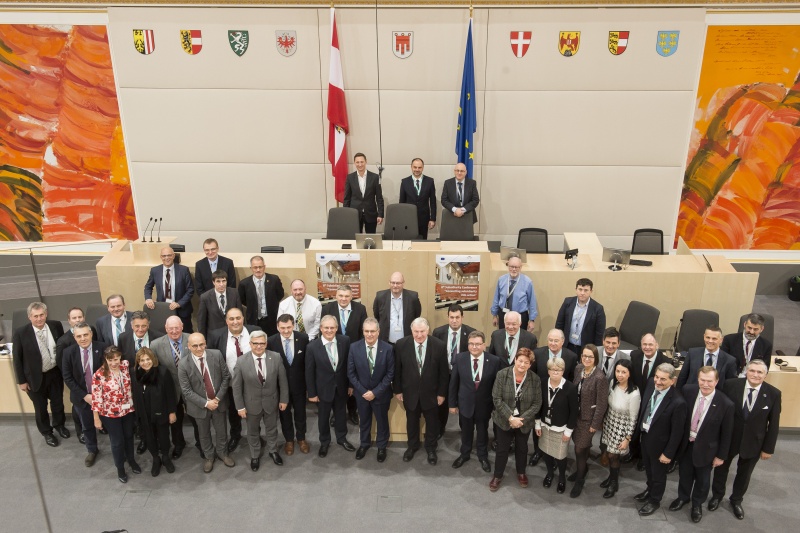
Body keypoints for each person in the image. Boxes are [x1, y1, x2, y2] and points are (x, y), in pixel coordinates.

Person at [710, 359, 781, 520]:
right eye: (752, 371)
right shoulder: (730, 385)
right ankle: (717, 496)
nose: (755, 374)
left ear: (765, 375)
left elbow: (774, 424)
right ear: (746, 371)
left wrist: (768, 448)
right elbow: (720, 411)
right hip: (729, 439)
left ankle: (736, 500)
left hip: (753, 442)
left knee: (744, 473)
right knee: (721, 469)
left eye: (759, 372)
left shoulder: (774, 394)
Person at [670, 366, 734, 523]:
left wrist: (721, 456)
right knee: (684, 474)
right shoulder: (688, 391)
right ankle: (683, 497)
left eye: (709, 381)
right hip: (686, 445)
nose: (705, 384)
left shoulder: (726, 404)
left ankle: (697, 505)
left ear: (716, 381)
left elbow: (727, 434)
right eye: (702, 380)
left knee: (702, 480)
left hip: (707, 450)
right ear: (698, 379)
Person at [632, 363, 688, 516]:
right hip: (646, 438)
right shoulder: (651, 384)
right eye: (656, 377)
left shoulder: (678, 402)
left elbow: (677, 433)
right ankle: (649, 490)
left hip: (661, 446)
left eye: (663, 379)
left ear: (672, 380)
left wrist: (668, 453)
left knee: (658, 475)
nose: (658, 381)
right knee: (649, 471)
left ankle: (654, 500)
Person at [393, 318, 448, 465]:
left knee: (432, 423)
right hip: (409, 393)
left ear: (428, 330)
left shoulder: (439, 345)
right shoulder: (401, 344)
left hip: (432, 394)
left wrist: (442, 393)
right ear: (411, 331)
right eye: (416, 331)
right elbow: (397, 369)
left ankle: (431, 448)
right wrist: (397, 390)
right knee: (411, 422)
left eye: (422, 331)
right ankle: (412, 446)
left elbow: (443, 373)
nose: (419, 335)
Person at [12, 302, 68, 447]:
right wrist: (21, 381)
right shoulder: (21, 333)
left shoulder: (56, 325)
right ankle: (47, 432)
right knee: (40, 407)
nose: (39, 319)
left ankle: (59, 425)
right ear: (29, 317)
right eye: (35, 316)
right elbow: (17, 359)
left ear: (46, 314)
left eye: (41, 315)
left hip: (55, 373)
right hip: (34, 378)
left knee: (57, 402)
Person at [207, 307, 262, 454]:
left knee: (255, 412)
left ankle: (256, 435)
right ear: (226, 321)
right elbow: (212, 360)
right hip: (230, 384)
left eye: (238, 318)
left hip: (253, 383)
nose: (235, 321)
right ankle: (235, 435)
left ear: (243, 318)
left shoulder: (255, 331)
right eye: (231, 319)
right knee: (233, 412)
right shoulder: (216, 335)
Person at [232, 330, 289, 472]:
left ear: (266, 344)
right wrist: (240, 407)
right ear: (250, 344)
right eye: (255, 343)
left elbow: (283, 381)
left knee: (272, 429)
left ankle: (273, 451)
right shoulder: (241, 361)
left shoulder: (275, 357)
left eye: (262, 343)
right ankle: (255, 455)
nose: (258, 346)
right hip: (251, 404)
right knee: (252, 431)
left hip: (271, 402)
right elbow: (237, 386)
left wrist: (284, 399)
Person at [178, 333, 234, 473]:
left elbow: (226, 377)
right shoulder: (183, 364)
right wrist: (206, 403)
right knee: (203, 434)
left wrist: (217, 399)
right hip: (199, 406)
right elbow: (186, 390)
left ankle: (222, 453)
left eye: (201, 344)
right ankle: (209, 457)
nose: (199, 348)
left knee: (222, 431)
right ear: (188, 346)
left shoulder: (216, 355)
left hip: (218, 403)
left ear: (205, 343)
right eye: (195, 346)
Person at [489, 348, 542, 492]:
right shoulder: (502, 374)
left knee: (522, 448)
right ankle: (497, 475)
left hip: (524, 421)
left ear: (530, 364)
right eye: (520, 361)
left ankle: (521, 472)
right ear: (515, 360)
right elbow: (497, 398)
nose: (522, 365)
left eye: (526, 362)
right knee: (502, 449)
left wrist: (521, 420)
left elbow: (537, 403)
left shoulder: (535, 379)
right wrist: (510, 417)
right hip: (504, 419)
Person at [449, 331, 500, 473]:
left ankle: (482, 456)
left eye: (477, 344)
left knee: (482, 431)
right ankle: (464, 454)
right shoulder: (460, 358)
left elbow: (497, 385)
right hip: (465, 403)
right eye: (471, 344)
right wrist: (452, 404)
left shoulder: (494, 361)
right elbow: (454, 383)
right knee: (466, 431)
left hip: (484, 404)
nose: (474, 347)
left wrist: (496, 405)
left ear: (484, 345)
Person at [306, 315, 354, 457]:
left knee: (341, 415)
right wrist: (312, 393)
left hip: (341, 387)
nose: (329, 330)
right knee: (323, 417)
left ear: (337, 328)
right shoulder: (312, 347)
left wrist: (350, 385)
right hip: (322, 390)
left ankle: (342, 438)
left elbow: (349, 365)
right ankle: (324, 442)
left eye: (332, 327)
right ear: (321, 328)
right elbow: (309, 372)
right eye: (326, 327)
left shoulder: (345, 341)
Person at [346, 318, 395, 462]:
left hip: (381, 394)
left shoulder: (388, 349)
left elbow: (390, 374)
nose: (369, 334)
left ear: (378, 332)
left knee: (382, 421)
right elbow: (351, 373)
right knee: (364, 420)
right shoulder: (354, 347)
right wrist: (363, 391)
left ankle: (381, 447)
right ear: (363, 332)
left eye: (372, 331)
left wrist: (375, 392)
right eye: (366, 331)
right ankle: (364, 444)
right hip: (361, 394)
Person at [529, 329, 578, 466]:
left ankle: (555, 455)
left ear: (563, 341)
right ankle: (538, 452)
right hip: (542, 397)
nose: (553, 343)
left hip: (560, 399)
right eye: (550, 340)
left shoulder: (571, 356)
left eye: (556, 340)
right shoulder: (537, 353)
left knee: (556, 429)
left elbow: (571, 378)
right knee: (538, 428)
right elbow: (533, 375)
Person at [150, 316, 197, 459]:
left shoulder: (192, 339)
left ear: (182, 326)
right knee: (175, 421)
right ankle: (178, 445)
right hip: (171, 390)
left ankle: (202, 443)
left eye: (177, 327)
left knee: (196, 418)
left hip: (192, 388)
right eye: (171, 328)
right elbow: (155, 369)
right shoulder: (155, 345)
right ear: (166, 328)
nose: (174, 331)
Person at [61, 322, 108, 466]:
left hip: (104, 397)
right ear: (74, 337)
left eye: (85, 335)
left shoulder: (103, 348)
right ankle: (92, 450)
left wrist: (100, 394)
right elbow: (67, 377)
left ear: (91, 334)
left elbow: (109, 372)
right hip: (82, 398)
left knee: (110, 425)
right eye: (79, 336)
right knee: (87, 426)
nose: (83, 338)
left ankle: (118, 449)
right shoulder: (68, 352)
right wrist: (85, 395)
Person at [321, 284, 368, 425]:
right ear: (336, 296)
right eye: (341, 295)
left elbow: (363, 332)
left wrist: (360, 351)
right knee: (337, 383)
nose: (343, 299)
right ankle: (337, 413)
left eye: (347, 296)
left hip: (354, 352)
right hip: (334, 352)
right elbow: (323, 331)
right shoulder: (327, 308)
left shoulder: (360, 309)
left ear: (352, 297)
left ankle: (353, 411)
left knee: (353, 382)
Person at [92, 346, 140, 483]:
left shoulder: (125, 366)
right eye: (110, 360)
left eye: (116, 359)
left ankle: (131, 460)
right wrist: (96, 418)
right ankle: (120, 468)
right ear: (105, 359)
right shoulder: (99, 374)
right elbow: (96, 398)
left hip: (127, 410)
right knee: (117, 441)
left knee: (129, 436)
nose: (114, 363)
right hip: (110, 414)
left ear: (120, 358)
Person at [569, 344, 609, 498]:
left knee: (579, 449)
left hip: (588, 419)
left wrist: (595, 424)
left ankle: (580, 479)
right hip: (575, 416)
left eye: (590, 357)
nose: (586, 359)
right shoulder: (578, 369)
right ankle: (583, 469)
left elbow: (602, 404)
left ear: (595, 358)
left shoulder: (600, 377)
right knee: (580, 445)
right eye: (584, 356)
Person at [267, 314, 310, 456]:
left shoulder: (303, 338)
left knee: (301, 414)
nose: (286, 331)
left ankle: (301, 439)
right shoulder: (271, 341)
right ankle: (289, 440)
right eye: (282, 328)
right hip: (280, 388)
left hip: (299, 385)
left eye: (289, 327)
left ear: (294, 325)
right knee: (284, 415)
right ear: (277, 326)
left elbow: (307, 363)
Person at [131, 347, 177, 477]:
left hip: (161, 412)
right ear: (138, 362)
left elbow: (170, 393)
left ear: (153, 359)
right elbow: (135, 395)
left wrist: (172, 412)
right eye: (142, 360)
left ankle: (165, 457)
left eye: (148, 359)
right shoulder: (135, 374)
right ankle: (156, 459)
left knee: (163, 436)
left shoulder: (163, 372)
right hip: (144, 414)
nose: (145, 362)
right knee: (149, 438)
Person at [535, 357, 578, 494]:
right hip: (544, 426)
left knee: (560, 456)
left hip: (561, 429)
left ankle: (561, 478)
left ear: (563, 371)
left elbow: (574, 412)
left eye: (558, 370)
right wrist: (537, 424)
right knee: (546, 452)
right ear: (548, 371)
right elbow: (538, 405)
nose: (555, 372)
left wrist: (568, 431)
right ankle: (550, 473)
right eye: (553, 369)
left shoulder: (570, 388)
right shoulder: (542, 383)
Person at [56, 307, 99, 442]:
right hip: (78, 385)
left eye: (80, 317)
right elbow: (63, 368)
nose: (77, 320)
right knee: (79, 411)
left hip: (95, 383)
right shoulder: (63, 342)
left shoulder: (90, 330)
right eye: (74, 318)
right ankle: (81, 432)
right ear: (69, 321)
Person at [432, 304, 475, 436]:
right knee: (442, 402)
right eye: (451, 317)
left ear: (462, 317)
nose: (454, 320)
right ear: (448, 317)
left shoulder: (471, 332)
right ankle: (440, 429)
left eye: (457, 317)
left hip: (462, 375)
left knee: (463, 402)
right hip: (444, 373)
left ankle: (464, 430)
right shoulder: (438, 332)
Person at [600, 359, 641, 498]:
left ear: (630, 374)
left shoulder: (634, 393)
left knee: (613, 456)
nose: (620, 375)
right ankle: (611, 477)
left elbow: (633, 419)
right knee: (609, 453)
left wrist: (627, 439)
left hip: (622, 429)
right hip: (609, 424)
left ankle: (614, 483)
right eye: (618, 371)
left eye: (624, 372)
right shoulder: (613, 383)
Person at [144, 246, 195, 333]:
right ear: (161, 257)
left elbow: (190, 289)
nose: (166, 258)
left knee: (186, 334)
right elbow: (148, 287)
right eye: (164, 256)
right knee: (165, 334)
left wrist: (179, 303)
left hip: (181, 310)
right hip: (163, 309)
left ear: (173, 256)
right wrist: (148, 298)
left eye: (169, 255)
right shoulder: (155, 271)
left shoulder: (184, 270)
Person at [554, 278, 606, 355]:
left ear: (591, 291)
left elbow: (599, 334)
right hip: (567, 345)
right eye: (580, 289)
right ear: (576, 289)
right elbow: (559, 324)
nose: (582, 293)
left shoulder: (598, 308)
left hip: (586, 349)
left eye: (586, 290)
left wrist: (595, 352)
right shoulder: (567, 302)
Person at [238, 255, 284, 336]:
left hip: (272, 320)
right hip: (254, 321)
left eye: (260, 267)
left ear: (264, 267)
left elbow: (280, 294)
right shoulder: (244, 283)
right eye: (255, 267)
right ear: (251, 268)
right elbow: (243, 300)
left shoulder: (274, 280)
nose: (258, 270)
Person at [490, 254, 537, 332]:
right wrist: (494, 315)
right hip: (503, 314)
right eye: (511, 267)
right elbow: (496, 298)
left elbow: (532, 302)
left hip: (520, 315)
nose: (514, 269)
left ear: (520, 267)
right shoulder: (501, 280)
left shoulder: (527, 282)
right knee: (503, 336)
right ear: (508, 266)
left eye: (516, 267)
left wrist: (532, 320)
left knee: (520, 337)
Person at [373, 272, 422, 344]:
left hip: (407, 342)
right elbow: (377, 316)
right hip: (386, 342)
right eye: (393, 283)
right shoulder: (380, 297)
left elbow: (417, 316)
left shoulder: (413, 297)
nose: (395, 286)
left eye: (398, 283)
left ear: (403, 283)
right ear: (389, 283)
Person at [343, 152, 384, 233]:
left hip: (371, 213)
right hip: (354, 214)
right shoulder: (350, 178)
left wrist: (380, 214)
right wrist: (346, 214)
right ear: (354, 163)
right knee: (355, 238)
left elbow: (379, 198)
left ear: (366, 162)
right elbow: (347, 198)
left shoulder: (375, 177)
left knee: (371, 238)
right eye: (357, 162)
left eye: (362, 162)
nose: (360, 164)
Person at [398, 157, 437, 239]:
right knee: (409, 242)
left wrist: (432, 219)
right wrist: (402, 219)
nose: (417, 169)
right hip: (408, 219)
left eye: (419, 167)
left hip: (424, 219)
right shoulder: (405, 182)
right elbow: (401, 203)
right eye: (415, 167)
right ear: (411, 167)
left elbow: (433, 202)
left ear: (423, 168)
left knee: (422, 242)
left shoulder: (430, 181)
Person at [196, 270, 242, 337]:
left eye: (224, 281)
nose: (221, 284)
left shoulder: (234, 293)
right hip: (214, 335)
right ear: (213, 282)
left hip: (232, 333)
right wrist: (203, 337)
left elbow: (240, 313)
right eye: (218, 281)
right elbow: (201, 321)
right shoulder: (205, 297)